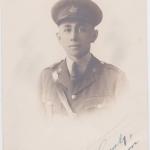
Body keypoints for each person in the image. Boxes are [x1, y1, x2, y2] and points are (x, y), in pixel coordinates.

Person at [39, 0, 126, 117]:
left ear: (94, 36)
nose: (73, 37)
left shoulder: (115, 79)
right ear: (59, 37)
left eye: (82, 29)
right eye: (67, 30)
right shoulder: (46, 77)